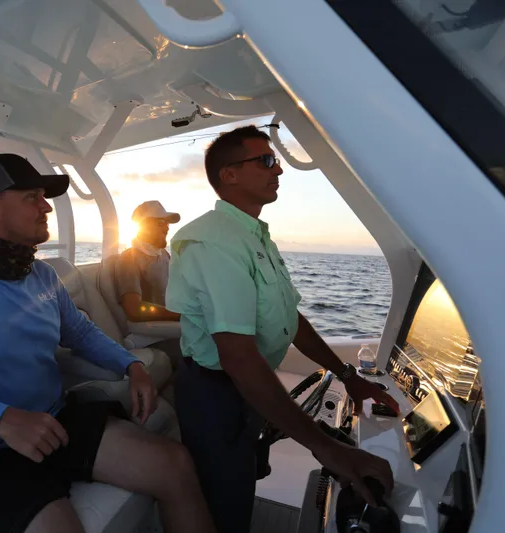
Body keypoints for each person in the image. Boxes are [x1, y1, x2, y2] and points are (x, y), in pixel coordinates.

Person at [0, 154, 217, 533]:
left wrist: (130, 365)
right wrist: (0, 419)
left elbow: (80, 333)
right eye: (32, 197)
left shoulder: (41, 274)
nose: (46, 206)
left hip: (53, 422)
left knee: (175, 465)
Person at [166, 126, 400, 533]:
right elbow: (238, 356)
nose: (279, 171)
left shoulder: (255, 237)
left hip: (248, 389)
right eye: (267, 161)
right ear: (230, 174)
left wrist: (350, 378)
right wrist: (328, 449)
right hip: (217, 395)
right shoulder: (214, 242)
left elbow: (290, 320)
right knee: (223, 504)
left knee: (241, 485)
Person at [115, 201, 182, 369]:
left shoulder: (164, 256)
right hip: (152, 334)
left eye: (167, 223)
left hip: (173, 326)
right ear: (144, 225)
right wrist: (181, 315)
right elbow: (134, 309)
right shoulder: (129, 259)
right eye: (161, 222)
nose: (167, 227)